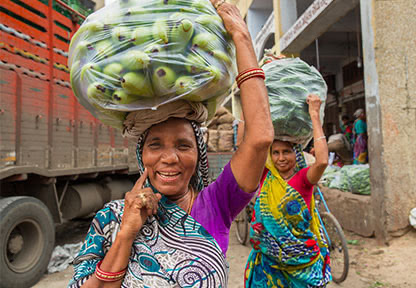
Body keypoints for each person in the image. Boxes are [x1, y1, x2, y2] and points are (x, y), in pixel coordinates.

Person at [68, 1, 274, 287]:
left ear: (199, 152)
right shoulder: (112, 219)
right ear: (141, 155)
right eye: (155, 145)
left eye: (183, 145)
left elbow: (260, 138)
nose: (170, 158)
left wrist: (240, 35)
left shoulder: (217, 203)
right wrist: (127, 233)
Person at [244, 94, 331, 287]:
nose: (281, 158)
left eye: (287, 152)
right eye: (276, 152)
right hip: (269, 264)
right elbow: (252, 142)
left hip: (301, 263)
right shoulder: (266, 177)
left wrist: (314, 114)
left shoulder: (303, 180)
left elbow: (323, 161)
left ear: (296, 154)